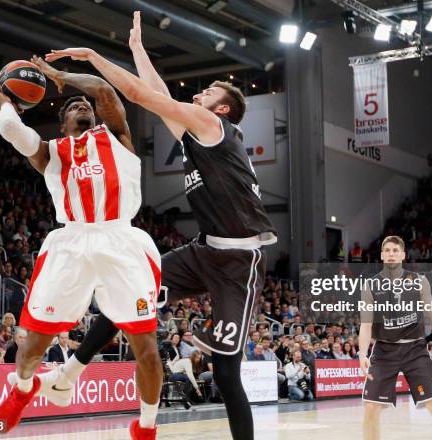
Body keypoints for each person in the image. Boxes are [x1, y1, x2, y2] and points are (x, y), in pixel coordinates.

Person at [36, 11, 277, 440]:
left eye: (207, 92)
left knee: (225, 372)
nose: (198, 94)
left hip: (239, 261)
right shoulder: (196, 131)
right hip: (204, 250)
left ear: (222, 108)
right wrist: (137, 50)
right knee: (131, 292)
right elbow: (158, 92)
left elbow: (140, 96)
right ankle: (68, 373)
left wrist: (93, 56)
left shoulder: (214, 126)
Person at [0, 55, 163, 439]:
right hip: (70, 242)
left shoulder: (117, 136)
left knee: (147, 348)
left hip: (122, 241)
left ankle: (147, 427)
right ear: (62, 123)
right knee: (32, 346)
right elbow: (10, 128)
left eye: (83, 105)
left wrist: (59, 76)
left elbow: (103, 90)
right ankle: (24, 390)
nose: (81, 105)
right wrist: (4, 96)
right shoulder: (50, 152)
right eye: (72, 106)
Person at [359, 236, 432, 440]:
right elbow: (366, 325)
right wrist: (361, 353)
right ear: (381, 255)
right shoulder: (370, 285)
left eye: (395, 250)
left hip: (415, 350)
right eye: (387, 250)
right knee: (370, 408)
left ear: (403, 255)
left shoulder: (419, 281)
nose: (391, 254)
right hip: (384, 352)